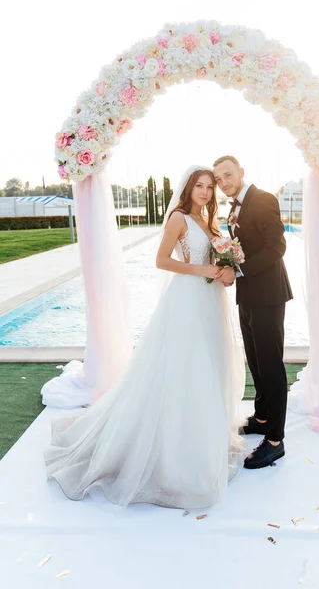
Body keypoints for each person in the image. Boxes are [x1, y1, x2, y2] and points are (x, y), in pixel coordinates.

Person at [44, 165, 246, 509]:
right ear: (188, 188)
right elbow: (162, 260)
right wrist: (201, 270)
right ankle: (173, 444)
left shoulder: (210, 221)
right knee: (182, 366)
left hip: (211, 299)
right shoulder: (180, 218)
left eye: (210, 187)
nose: (205, 192)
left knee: (207, 365)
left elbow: (217, 257)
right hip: (187, 298)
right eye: (199, 186)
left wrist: (227, 268)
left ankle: (202, 434)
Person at [213, 156, 293, 470]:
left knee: (271, 365)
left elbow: (277, 246)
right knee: (256, 360)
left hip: (269, 295)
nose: (223, 182)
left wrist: (240, 269)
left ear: (242, 172)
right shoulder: (234, 207)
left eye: (227, 175)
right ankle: (261, 417)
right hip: (247, 295)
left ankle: (275, 440)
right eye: (219, 179)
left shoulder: (263, 199)